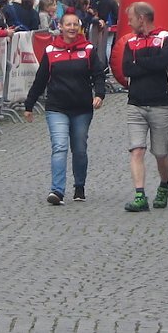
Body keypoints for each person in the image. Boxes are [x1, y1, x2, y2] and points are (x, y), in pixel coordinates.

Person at [24, 12, 106, 205]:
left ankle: (79, 187)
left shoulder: (88, 49)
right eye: (67, 24)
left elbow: (98, 75)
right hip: (56, 108)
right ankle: (57, 190)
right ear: (60, 27)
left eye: (75, 25)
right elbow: (41, 79)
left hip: (82, 108)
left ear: (79, 27)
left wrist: (99, 94)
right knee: (59, 147)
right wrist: (29, 104)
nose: (71, 28)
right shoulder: (51, 50)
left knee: (79, 149)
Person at [122, 1, 168, 212]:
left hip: (160, 104)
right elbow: (127, 68)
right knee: (136, 150)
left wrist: (140, 64)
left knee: (160, 153)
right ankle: (139, 195)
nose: (129, 23)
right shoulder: (130, 42)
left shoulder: (167, 38)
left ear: (141, 19)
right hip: (135, 103)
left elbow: (163, 62)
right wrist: (149, 64)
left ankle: (164, 186)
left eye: (131, 19)